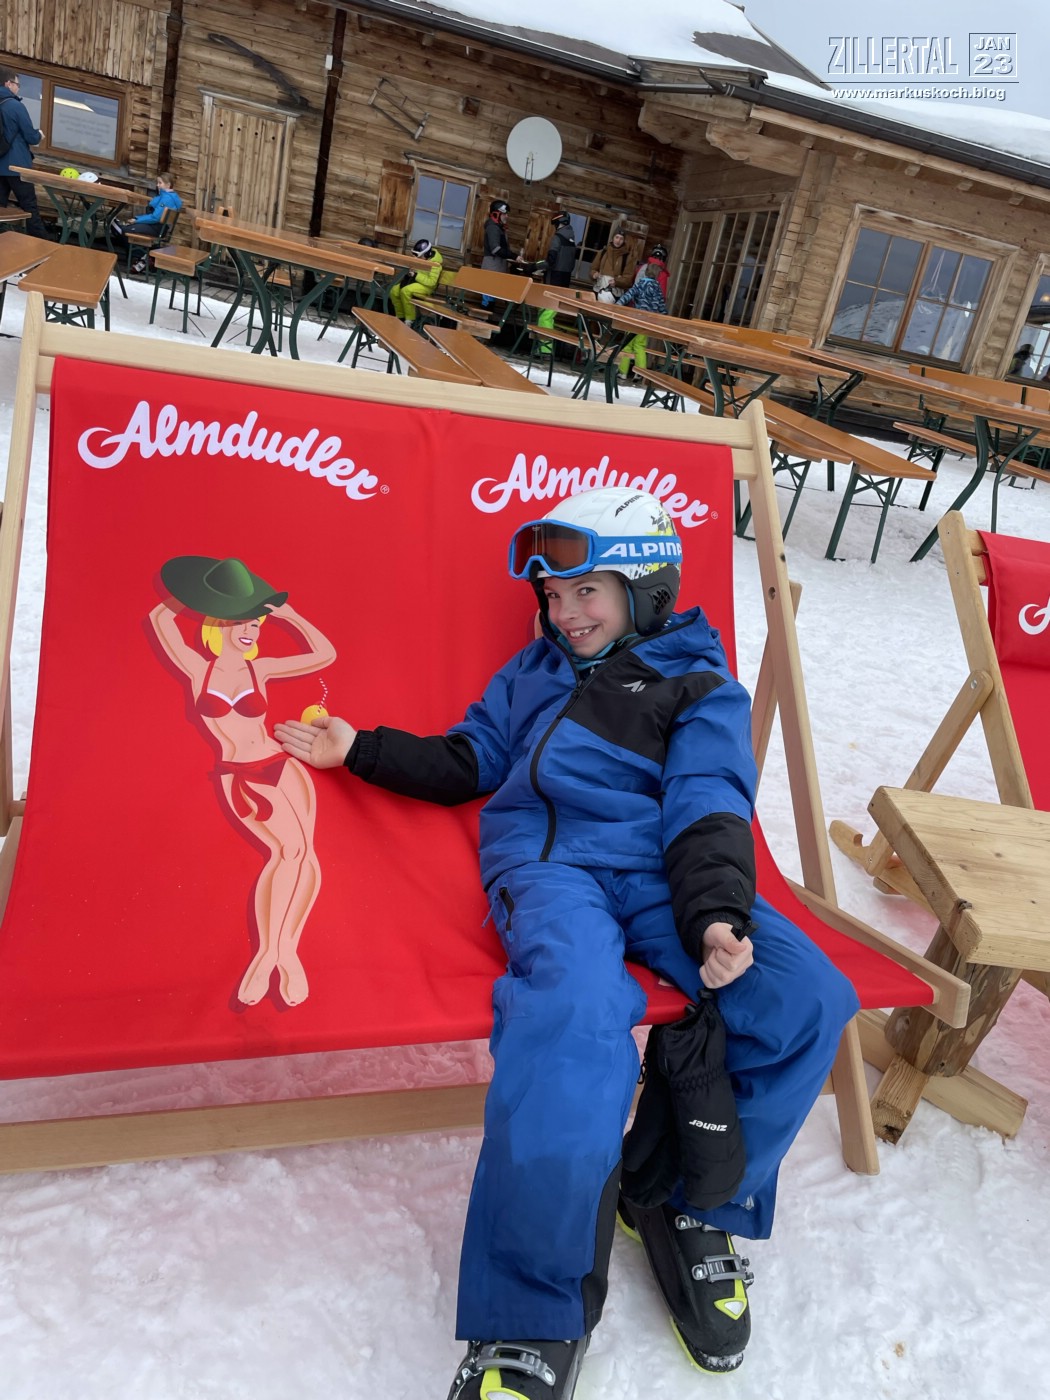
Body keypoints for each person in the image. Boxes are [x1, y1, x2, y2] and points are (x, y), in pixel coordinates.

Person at [274, 487, 859, 1399]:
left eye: (588, 590)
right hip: (552, 871)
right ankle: (533, 1309)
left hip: (668, 872)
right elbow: (473, 757)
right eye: (552, 594)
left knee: (808, 998)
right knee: (574, 1018)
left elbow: (708, 798)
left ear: (649, 587)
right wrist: (361, 749)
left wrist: (716, 915)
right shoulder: (534, 671)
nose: (565, 613)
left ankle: (685, 1197)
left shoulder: (699, 683)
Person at [149, 556, 336, 1009]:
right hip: (240, 774)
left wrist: (289, 615)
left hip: (281, 766)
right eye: (242, 621)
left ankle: (282, 953)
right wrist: (198, 593)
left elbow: (325, 654)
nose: (251, 629)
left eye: (255, 622)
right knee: (287, 854)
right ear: (220, 623)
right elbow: (159, 619)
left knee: (302, 855)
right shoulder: (199, 670)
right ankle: (274, 953)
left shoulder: (261, 669)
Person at [0, 66, 52, 239]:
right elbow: (30, 136)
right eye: (17, 85)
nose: (18, 88)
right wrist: (39, 135)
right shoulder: (15, 105)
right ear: (8, 84)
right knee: (29, 207)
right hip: (17, 165)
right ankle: (41, 244)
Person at [111, 171, 183, 273]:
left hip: (156, 227)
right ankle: (140, 258)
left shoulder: (167, 199)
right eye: (157, 183)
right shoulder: (169, 197)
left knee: (125, 230)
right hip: (159, 227)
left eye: (160, 183)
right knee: (125, 228)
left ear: (168, 185)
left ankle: (139, 256)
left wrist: (137, 219)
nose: (157, 185)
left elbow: (155, 217)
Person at [615, 259, 667, 381]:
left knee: (627, 344)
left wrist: (618, 304)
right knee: (640, 345)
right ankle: (640, 372)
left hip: (635, 318)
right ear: (657, 275)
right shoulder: (657, 288)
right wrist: (665, 316)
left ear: (646, 272)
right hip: (647, 321)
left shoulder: (640, 284)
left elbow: (629, 295)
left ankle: (623, 371)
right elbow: (661, 305)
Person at [535, 210, 577, 357]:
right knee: (547, 314)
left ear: (558, 223)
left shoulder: (558, 238)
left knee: (544, 316)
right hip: (564, 284)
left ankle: (545, 350)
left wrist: (534, 266)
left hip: (553, 282)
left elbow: (550, 262)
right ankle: (542, 347)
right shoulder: (572, 241)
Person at [389, 237, 444, 324]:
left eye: (420, 256)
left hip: (427, 287)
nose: (417, 258)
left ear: (427, 254)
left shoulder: (435, 265)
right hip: (416, 282)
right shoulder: (422, 259)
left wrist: (416, 275)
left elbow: (431, 282)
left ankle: (410, 319)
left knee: (406, 291)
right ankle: (400, 316)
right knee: (394, 291)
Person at [590, 227, 632, 294]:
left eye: (621, 239)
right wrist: (594, 274)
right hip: (599, 290)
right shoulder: (603, 252)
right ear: (612, 238)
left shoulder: (627, 257)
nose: (618, 241)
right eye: (617, 237)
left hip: (615, 293)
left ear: (624, 241)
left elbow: (628, 279)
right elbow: (593, 269)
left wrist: (617, 282)